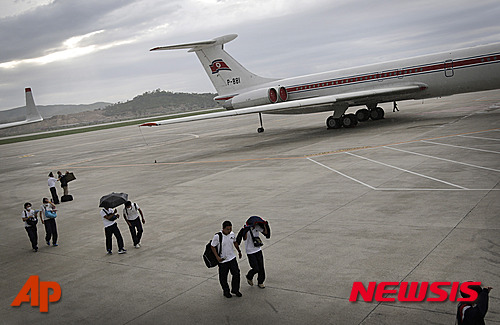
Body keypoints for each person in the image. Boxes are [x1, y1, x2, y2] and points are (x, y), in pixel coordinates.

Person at [236, 216, 271, 289]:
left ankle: (260, 282)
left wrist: (265, 224)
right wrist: (246, 229)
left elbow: (265, 232)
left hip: (258, 250)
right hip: (250, 251)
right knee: (255, 268)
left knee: (261, 267)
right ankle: (249, 276)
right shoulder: (245, 229)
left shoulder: (257, 227)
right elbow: (244, 238)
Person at [211, 221, 242, 298]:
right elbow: (212, 246)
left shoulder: (232, 234)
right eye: (228, 229)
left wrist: (239, 251)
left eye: (230, 229)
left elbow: (235, 242)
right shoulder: (218, 236)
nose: (229, 230)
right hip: (223, 261)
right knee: (223, 277)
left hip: (232, 258)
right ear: (223, 229)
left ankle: (235, 289)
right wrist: (217, 257)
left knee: (236, 274)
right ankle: (226, 291)